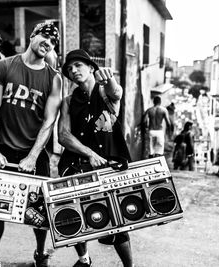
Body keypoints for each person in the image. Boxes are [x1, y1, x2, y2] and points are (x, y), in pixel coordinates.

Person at [0, 22, 62, 267]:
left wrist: (32, 156)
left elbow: (49, 121)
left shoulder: (54, 78)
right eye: (45, 36)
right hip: (3, 149)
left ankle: (40, 253)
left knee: (39, 209)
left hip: (34, 152)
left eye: (53, 41)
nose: (48, 42)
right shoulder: (4, 66)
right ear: (32, 36)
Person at [58, 49, 133, 267]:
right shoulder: (68, 101)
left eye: (78, 66)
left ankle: (130, 266)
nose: (73, 71)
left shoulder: (104, 92)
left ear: (91, 68)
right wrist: (90, 153)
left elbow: (116, 93)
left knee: (117, 220)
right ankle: (84, 259)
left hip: (110, 164)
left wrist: (109, 78)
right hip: (77, 163)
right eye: (69, 69)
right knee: (73, 214)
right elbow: (63, 135)